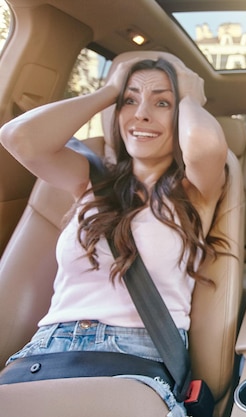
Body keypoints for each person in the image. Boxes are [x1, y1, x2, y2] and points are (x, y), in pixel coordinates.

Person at [0, 52, 228, 416]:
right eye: (130, 101)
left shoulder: (193, 192)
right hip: (43, 354)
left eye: (162, 102)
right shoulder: (88, 180)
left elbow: (206, 146)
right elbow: (18, 137)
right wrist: (109, 90)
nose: (141, 114)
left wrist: (188, 94)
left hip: (134, 360)